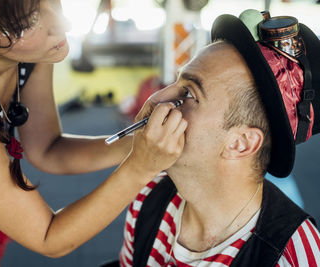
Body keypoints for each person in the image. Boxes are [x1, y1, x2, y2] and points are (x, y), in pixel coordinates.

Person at [0, 0, 189, 266]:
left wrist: (142, 144)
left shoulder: (31, 49)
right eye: (26, 23)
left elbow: (47, 148)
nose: (63, 25)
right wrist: (141, 166)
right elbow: (48, 237)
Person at [117, 10, 320, 267]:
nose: (157, 99)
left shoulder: (290, 258)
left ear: (241, 143)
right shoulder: (147, 197)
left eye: (189, 93)